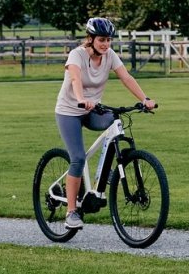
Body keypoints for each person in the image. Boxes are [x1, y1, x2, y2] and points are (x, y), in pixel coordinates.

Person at [55, 16, 157, 230]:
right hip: (69, 112)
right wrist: (82, 99)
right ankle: (71, 212)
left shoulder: (109, 55)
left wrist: (144, 99)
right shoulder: (77, 55)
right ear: (90, 38)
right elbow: (75, 78)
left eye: (109, 40)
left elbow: (126, 77)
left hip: (95, 110)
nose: (106, 44)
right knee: (78, 158)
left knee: (116, 125)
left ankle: (109, 171)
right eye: (102, 39)